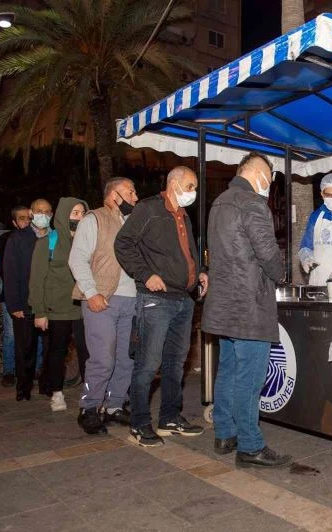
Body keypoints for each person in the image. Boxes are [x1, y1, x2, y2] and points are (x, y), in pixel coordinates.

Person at [202, 152, 293, 468]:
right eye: (269, 176)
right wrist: (282, 274)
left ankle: (225, 434)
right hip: (249, 306)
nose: (270, 183)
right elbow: (267, 252)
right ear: (257, 174)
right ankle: (250, 446)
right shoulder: (252, 203)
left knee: (227, 370)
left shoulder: (219, 202)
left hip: (224, 305)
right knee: (249, 377)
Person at [115, 166, 208, 446]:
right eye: (190, 186)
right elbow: (123, 243)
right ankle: (139, 423)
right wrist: (145, 274)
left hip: (183, 299)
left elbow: (186, 251)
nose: (193, 192)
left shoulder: (182, 214)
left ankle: (169, 418)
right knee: (148, 364)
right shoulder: (149, 209)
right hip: (156, 300)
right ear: (174, 183)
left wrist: (199, 272)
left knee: (175, 364)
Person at [69, 177, 139, 435]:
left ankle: (115, 405)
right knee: (102, 358)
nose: (135, 197)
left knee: (126, 358)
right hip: (102, 299)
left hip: (131, 301)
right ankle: (89, 407)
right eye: (130, 192)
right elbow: (77, 259)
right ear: (113, 195)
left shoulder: (133, 222)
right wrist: (91, 293)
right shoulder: (94, 219)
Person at [29, 197, 90, 413]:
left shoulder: (89, 240)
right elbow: (36, 280)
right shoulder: (48, 242)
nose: (80, 217)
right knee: (57, 351)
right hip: (57, 309)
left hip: (84, 307)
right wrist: (39, 311)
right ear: (64, 214)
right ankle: (56, 392)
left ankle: (90, 394)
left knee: (88, 352)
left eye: (83, 213)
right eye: (75, 213)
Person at [4, 198, 52, 401]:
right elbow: (10, 272)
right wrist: (14, 304)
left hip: (51, 304)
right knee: (25, 348)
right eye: (39, 211)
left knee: (51, 349)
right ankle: (23, 388)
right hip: (24, 303)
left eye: (47, 212)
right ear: (32, 213)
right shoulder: (18, 238)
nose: (43, 215)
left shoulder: (56, 238)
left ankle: (47, 385)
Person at [0, 206, 43, 387]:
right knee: (11, 335)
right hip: (14, 295)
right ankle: (9, 371)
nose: (26, 221)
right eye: (22, 218)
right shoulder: (9, 239)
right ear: (14, 222)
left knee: (37, 336)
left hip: (33, 297)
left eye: (28, 218)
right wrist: (13, 302)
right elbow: (7, 271)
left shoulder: (38, 237)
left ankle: (36, 368)